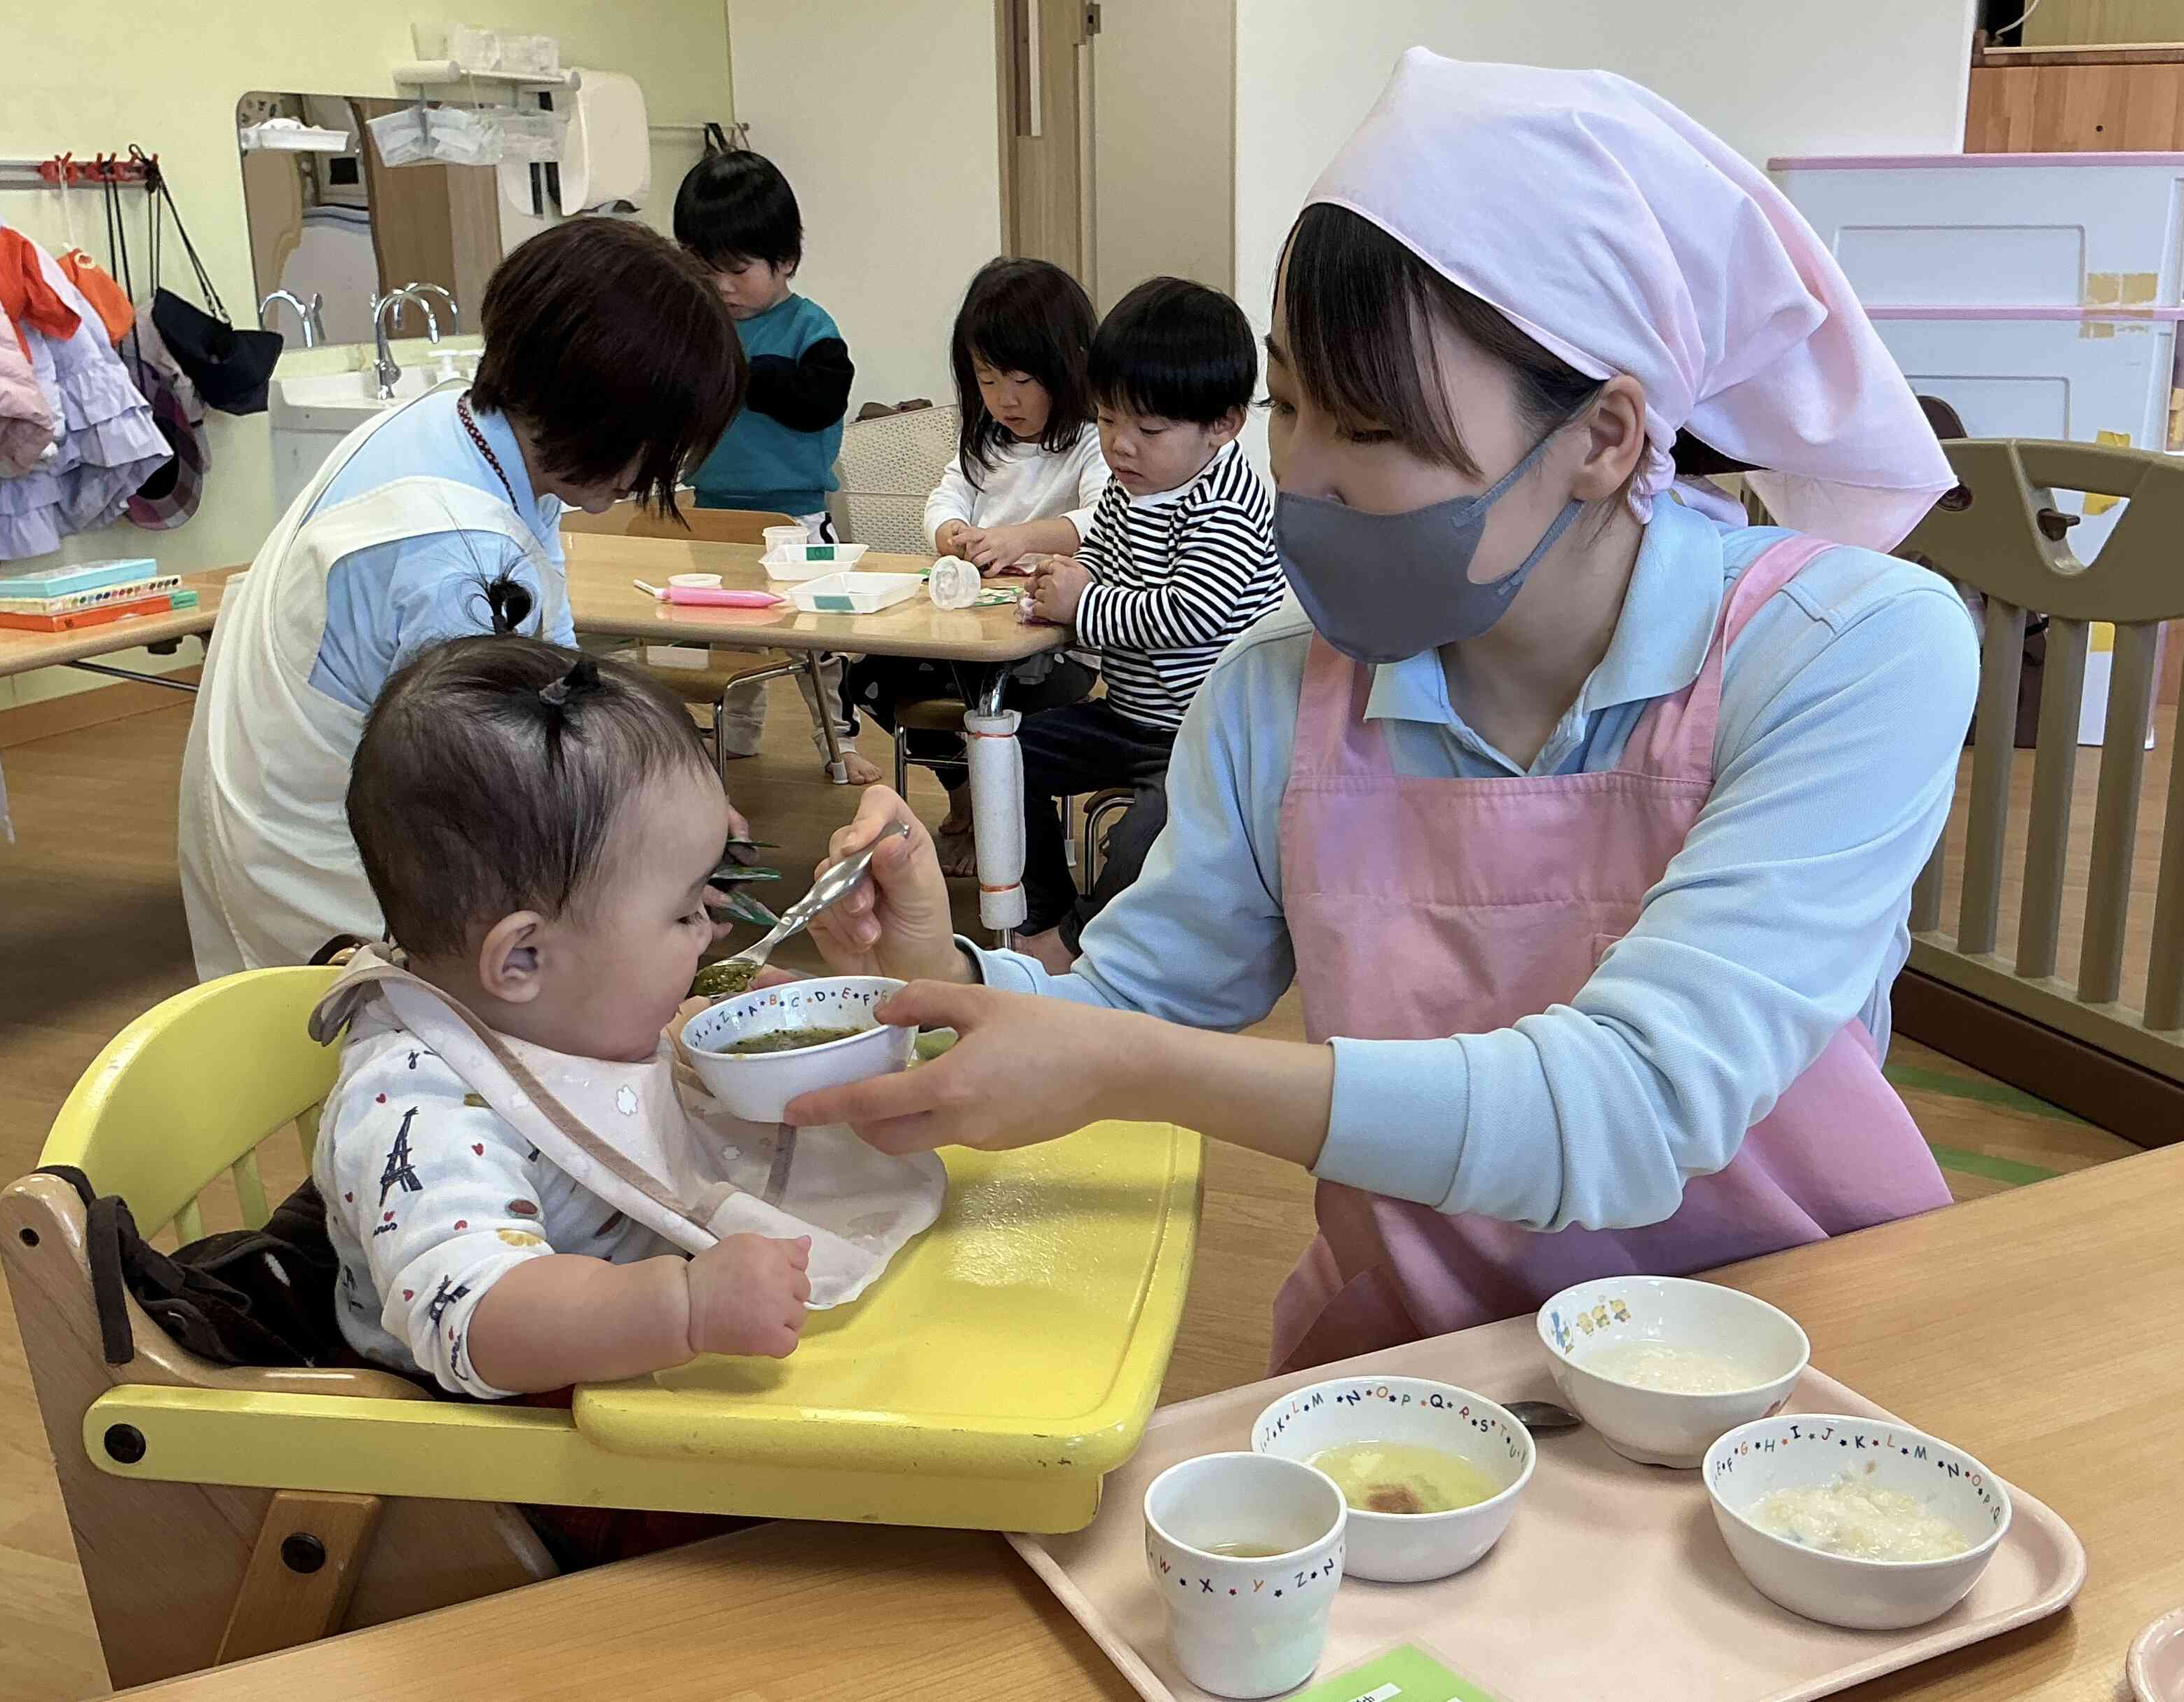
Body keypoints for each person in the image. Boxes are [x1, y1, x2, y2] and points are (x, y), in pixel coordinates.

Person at [789, 53, 1977, 1375]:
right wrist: (947, 978)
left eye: (1371, 429)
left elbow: (1636, 1103)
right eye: (1291, 405)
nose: (1303, 476)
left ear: (1604, 437)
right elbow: (1141, 995)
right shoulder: (1275, 692)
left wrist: (1126, 1069)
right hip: (1430, 1373)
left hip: (1787, 1361)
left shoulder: (1846, 649)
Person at [178, 219, 742, 980]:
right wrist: (670, 847)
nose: (657, 473)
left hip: (299, 822)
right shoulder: (456, 558)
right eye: (657, 444)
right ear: (598, 416)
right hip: (338, 882)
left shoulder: (463, 427)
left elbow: (562, 681)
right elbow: (512, 798)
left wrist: (672, 798)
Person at [311, 637, 815, 1399]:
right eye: (683, 912)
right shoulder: (423, 1107)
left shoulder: (542, 1011)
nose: (712, 929)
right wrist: (682, 1307)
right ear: (521, 960)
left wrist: (700, 1022)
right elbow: (472, 1315)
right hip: (501, 1446)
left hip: (616, 1387)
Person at [1006, 276, 1284, 971]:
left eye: (1148, 429)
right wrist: (1055, 594)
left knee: (1144, 836)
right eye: (1105, 421)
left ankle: (1074, 944)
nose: (1119, 447)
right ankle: (1038, 912)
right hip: (1128, 717)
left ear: (1223, 424)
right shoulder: (1130, 492)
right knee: (1004, 750)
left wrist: (1083, 606)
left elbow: (1192, 613)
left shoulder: (1225, 503)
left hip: (1204, 734)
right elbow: (1096, 567)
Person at [844, 257, 1111, 876]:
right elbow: (945, 497)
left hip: (1054, 647)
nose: (1004, 399)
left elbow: (1104, 515)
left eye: (1020, 379)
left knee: (990, 697)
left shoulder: (1093, 438)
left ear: (1067, 364)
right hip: (967, 634)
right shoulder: (985, 437)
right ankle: (965, 798)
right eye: (987, 380)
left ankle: (1001, 824)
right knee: (872, 678)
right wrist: (951, 532)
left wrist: (1020, 538)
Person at [672, 148, 858, 771]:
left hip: (795, 514)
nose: (722, 286)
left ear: (785, 261)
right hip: (713, 511)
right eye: (705, 269)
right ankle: (739, 731)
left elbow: (819, 401)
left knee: (817, 639)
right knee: (726, 640)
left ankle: (838, 738)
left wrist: (743, 372)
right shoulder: (699, 325)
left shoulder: (809, 326)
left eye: (737, 269)